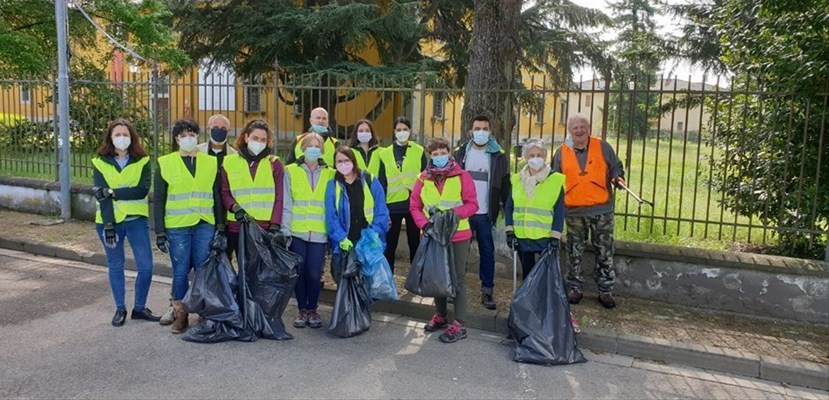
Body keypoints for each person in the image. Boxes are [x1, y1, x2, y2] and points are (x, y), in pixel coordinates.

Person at [156, 113, 236, 326]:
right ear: (176, 139)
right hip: (178, 226)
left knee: (203, 269)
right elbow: (159, 199)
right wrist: (159, 231)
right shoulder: (166, 162)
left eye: (192, 134)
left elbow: (217, 195)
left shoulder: (213, 162)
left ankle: (203, 309)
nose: (188, 137)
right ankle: (179, 311)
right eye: (183, 135)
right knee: (180, 271)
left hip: (204, 224)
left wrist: (220, 225)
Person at [552, 114, 625, 309]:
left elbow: (615, 167)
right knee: (574, 253)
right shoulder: (561, 152)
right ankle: (574, 288)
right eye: (575, 127)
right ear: (569, 130)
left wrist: (618, 178)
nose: (579, 130)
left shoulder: (603, 147)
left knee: (605, 252)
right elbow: (554, 178)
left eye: (582, 126)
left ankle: (606, 291)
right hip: (574, 212)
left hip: (602, 210)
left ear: (589, 128)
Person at [91, 118, 159, 326]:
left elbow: (141, 190)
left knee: (146, 266)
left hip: (136, 220)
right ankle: (120, 309)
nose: (122, 138)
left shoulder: (143, 161)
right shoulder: (99, 162)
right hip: (109, 222)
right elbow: (100, 196)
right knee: (116, 265)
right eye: (117, 135)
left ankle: (140, 308)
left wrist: (111, 191)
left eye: (125, 134)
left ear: (132, 137)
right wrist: (109, 225)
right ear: (110, 138)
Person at [410, 138, 479, 344]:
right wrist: (424, 225)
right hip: (432, 234)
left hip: (457, 234)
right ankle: (441, 315)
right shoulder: (423, 178)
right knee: (436, 276)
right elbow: (414, 205)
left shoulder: (462, 176)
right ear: (429, 156)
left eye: (442, 152)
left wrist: (452, 215)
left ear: (449, 153)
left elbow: (472, 204)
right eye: (435, 153)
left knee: (457, 279)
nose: (439, 156)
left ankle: (459, 323)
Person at [452, 115, 510, 310]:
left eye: (485, 128)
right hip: (463, 213)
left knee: (487, 253)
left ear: (490, 131)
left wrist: (503, 210)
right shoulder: (460, 154)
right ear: (470, 131)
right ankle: (455, 289)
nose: (481, 132)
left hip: (485, 213)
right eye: (477, 128)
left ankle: (487, 290)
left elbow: (504, 185)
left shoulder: (498, 156)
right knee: (459, 253)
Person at [283, 132, 335, 329]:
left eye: (317, 145)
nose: (314, 148)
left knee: (314, 273)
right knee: (300, 271)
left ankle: (313, 309)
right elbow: (287, 202)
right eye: (310, 145)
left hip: (319, 232)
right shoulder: (290, 171)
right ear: (303, 148)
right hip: (297, 231)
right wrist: (285, 229)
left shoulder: (330, 173)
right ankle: (302, 310)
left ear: (321, 150)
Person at [368, 116, 427, 273]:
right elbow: (382, 181)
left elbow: (426, 177)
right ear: (394, 132)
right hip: (392, 205)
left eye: (405, 129)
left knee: (415, 243)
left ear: (410, 131)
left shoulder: (419, 151)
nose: (402, 132)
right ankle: (388, 277)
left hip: (414, 205)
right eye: (399, 130)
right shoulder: (385, 153)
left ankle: (416, 277)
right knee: (390, 245)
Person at [220, 119, 285, 263]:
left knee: (259, 272)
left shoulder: (274, 163)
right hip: (238, 225)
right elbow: (225, 191)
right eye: (255, 138)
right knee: (242, 266)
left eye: (263, 139)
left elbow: (280, 196)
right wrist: (235, 208)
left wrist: (275, 225)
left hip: (264, 227)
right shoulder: (229, 162)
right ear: (246, 137)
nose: (259, 142)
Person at [324, 146, 390, 279]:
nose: (343, 164)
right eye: (339, 161)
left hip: (367, 240)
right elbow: (331, 215)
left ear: (353, 161)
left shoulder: (370, 181)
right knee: (345, 283)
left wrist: (375, 233)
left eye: (346, 160)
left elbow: (381, 210)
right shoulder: (333, 185)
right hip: (345, 242)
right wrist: (340, 237)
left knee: (367, 282)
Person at [504, 138, 565, 278]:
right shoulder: (517, 180)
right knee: (527, 275)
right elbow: (509, 207)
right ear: (525, 157)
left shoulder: (555, 180)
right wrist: (509, 231)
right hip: (523, 236)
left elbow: (559, 211)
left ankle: (544, 300)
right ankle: (527, 300)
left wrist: (555, 236)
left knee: (545, 276)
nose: (535, 159)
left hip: (545, 238)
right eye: (531, 155)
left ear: (545, 157)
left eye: (539, 155)